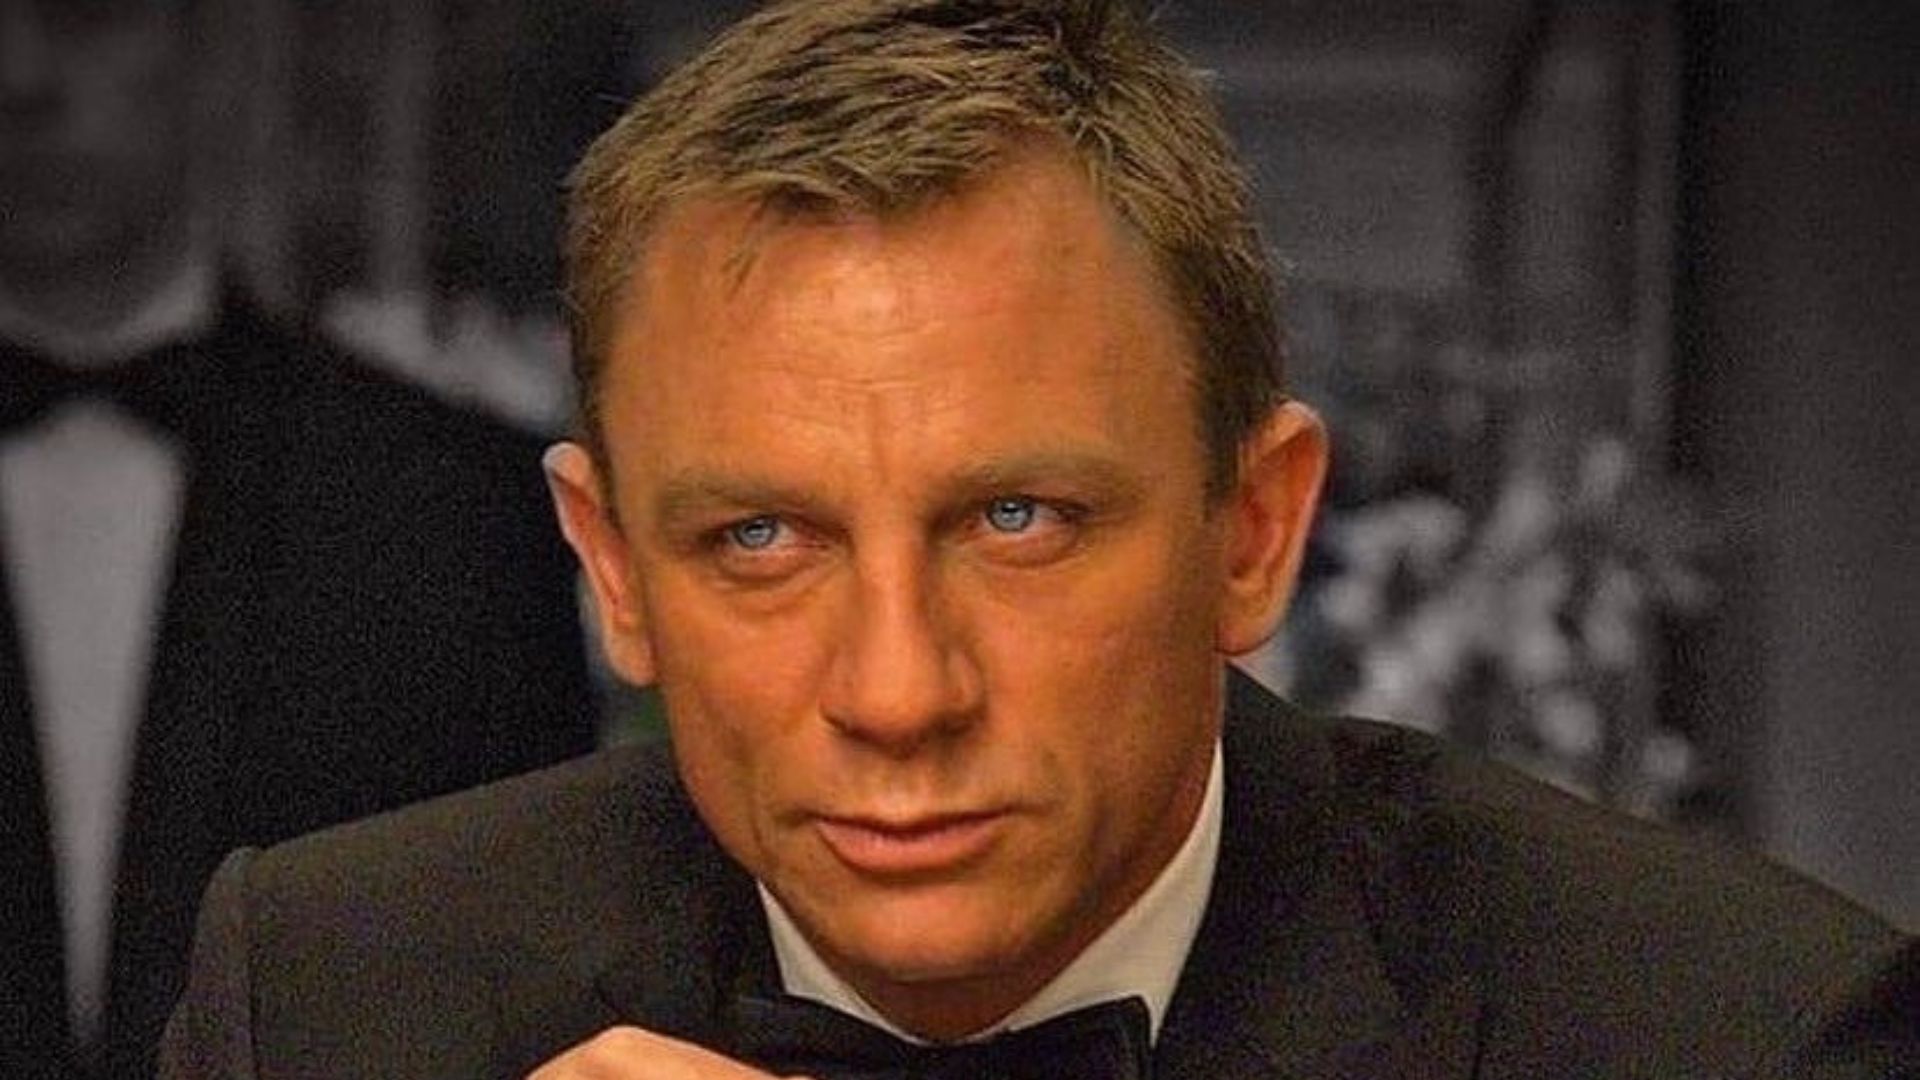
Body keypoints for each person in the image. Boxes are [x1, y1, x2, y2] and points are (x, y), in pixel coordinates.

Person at [159, 1, 1919, 1077]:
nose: (898, 692)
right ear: (614, 569)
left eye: (1020, 520)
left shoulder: (1737, 1033)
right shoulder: (322, 995)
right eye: (761, 536)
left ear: (1254, 530)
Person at [0, 2, 598, 1077]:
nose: (19, 76)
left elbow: (530, 952)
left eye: (86, 17)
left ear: (212, 53)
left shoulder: (452, 503)